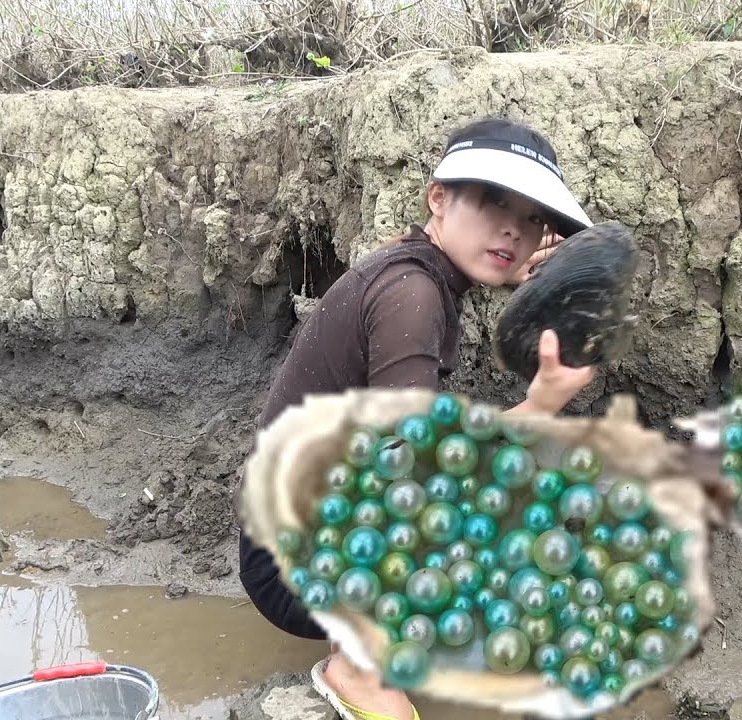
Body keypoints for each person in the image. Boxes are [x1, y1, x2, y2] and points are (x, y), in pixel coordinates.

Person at [238, 116, 597, 720]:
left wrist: (507, 269)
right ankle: (359, 666)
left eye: (533, 218)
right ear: (438, 198)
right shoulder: (413, 295)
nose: (514, 228)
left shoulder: (412, 272)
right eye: (493, 201)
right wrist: (540, 404)